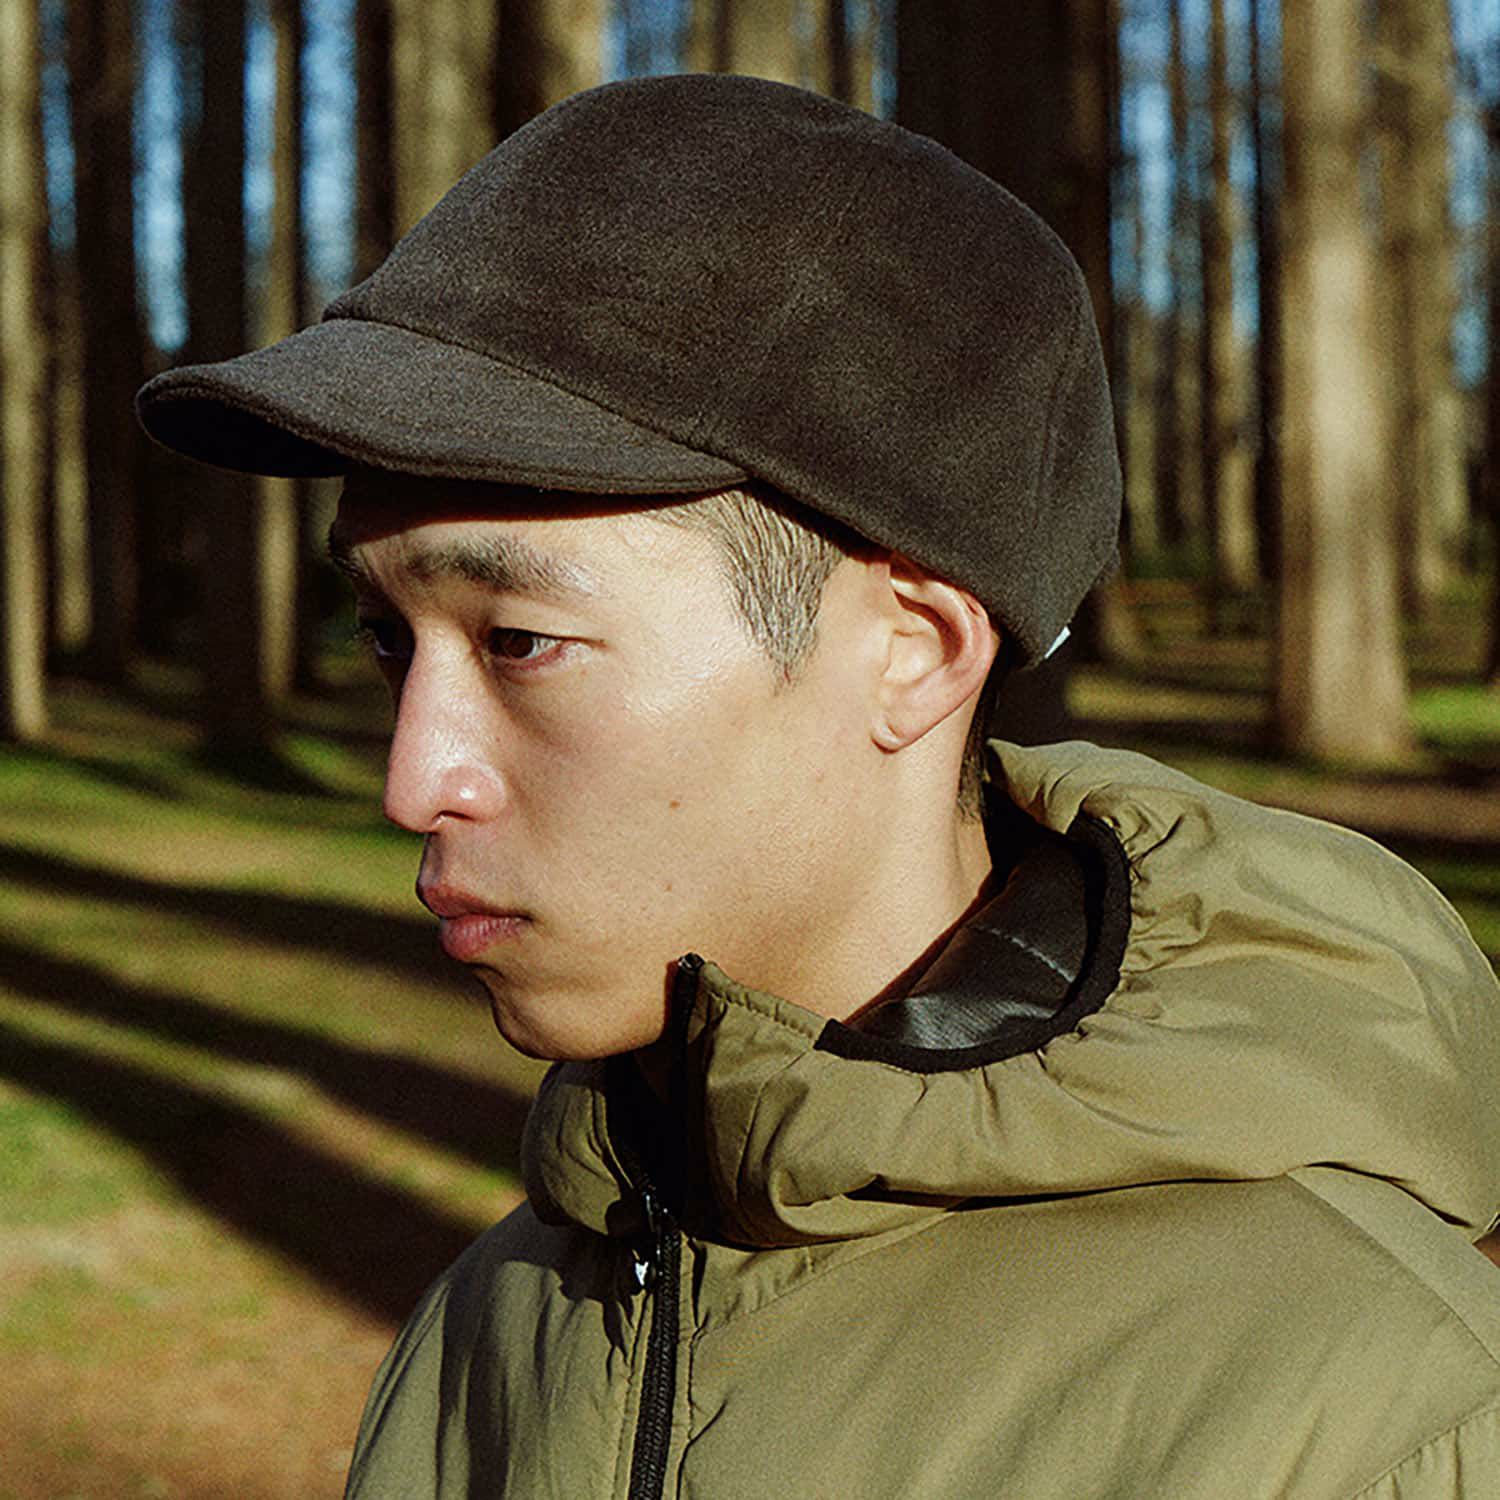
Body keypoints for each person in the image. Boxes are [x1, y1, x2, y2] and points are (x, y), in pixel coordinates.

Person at [137, 73, 1500, 1500]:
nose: (415, 780)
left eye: (522, 641)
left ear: (911, 653)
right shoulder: (499, 1323)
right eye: (384, 637)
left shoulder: (1361, 1412)